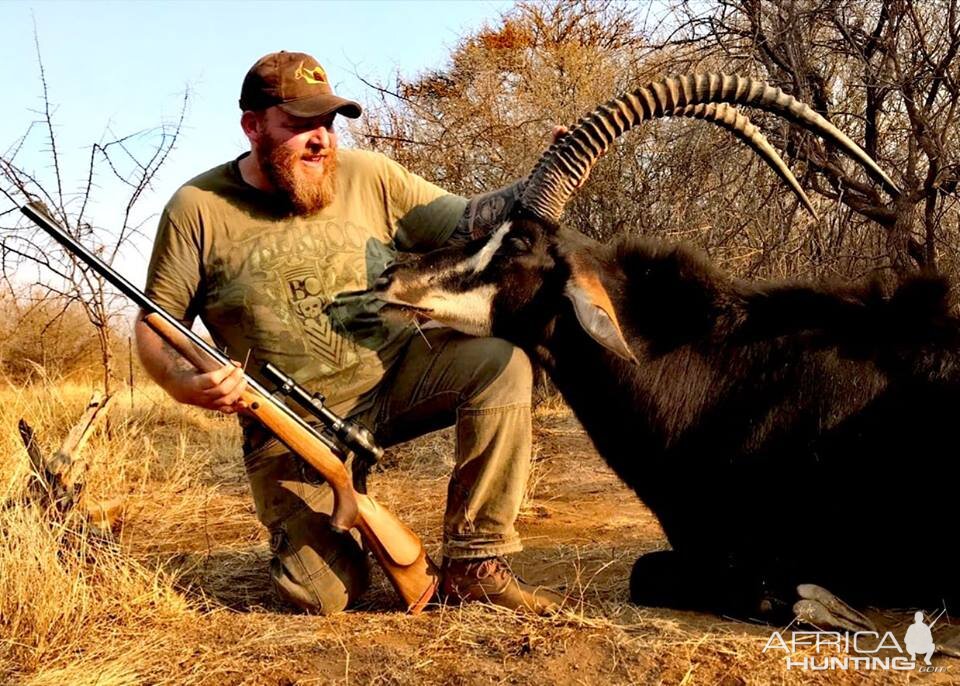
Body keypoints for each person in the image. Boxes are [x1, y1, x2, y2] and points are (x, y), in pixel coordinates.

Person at [135, 51, 562, 615]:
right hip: (291, 429)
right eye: (299, 124)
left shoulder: (370, 176)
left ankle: (476, 562)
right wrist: (185, 385)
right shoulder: (197, 209)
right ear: (253, 125)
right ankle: (338, 520)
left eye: (328, 124)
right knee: (320, 597)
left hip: (399, 377)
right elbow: (156, 325)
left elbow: (472, 222)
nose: (322, 139)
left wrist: (548, 172)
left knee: (502, 364)